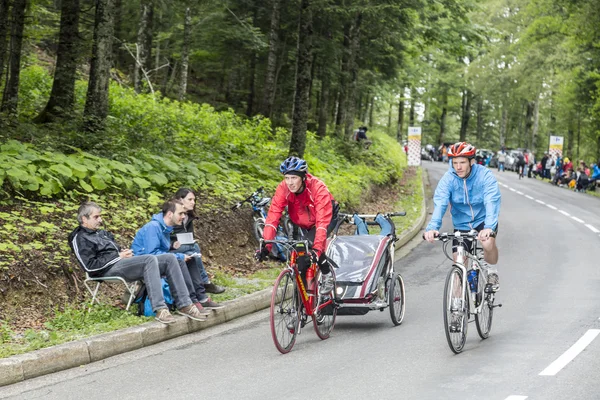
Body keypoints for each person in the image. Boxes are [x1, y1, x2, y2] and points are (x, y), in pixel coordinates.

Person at [68, 202, 207, 324]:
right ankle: (160, 309)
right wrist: (118, 256)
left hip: (121, 263)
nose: (100, 220)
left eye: (100, 216)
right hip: (106, 270)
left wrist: (125, 253)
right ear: (84, 219)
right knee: (149, 258)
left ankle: (185, 304)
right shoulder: (79, 237)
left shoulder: (101, 233)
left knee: (170, 258)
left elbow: (114, 251)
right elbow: (89, 266)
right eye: (96, 217)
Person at [423, 142, 501, 294]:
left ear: (472, 161)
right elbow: (440, 203)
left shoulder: (485, 176)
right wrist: (432, 228)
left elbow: (492, 201)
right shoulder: (448, 179)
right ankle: (457, 308)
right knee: (458, 262)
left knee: (487, 243)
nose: (458, 167)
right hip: (462, 223)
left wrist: (489, 227)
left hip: (483, 221)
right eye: (455, 163)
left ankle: (492, 272)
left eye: (462, 162)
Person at [256, 156, 339, 293]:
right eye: (287, 178)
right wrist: (267, 246)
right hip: (301, 222)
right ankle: (304, 302)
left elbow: (321, 224)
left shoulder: (318, 188)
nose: (290, 182)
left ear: (303, 177)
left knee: (310, 248)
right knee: (300, 259)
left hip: (325, 218)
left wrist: (317, 251)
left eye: (294, 178)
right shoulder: (284, 188)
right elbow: (272, 217)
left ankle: (326, 274)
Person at [132, 199, 224, 310]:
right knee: (180, 260)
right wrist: (179, 256)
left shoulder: (165, 228)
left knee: (190, 257)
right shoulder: (153, 227)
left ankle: (201, 297)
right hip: (144, 264)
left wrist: (171, 246)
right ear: (170, 214)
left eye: (184, 213)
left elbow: (158, 247)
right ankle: (191, 301)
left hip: (157, 260)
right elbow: (151, 254)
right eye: (181, 213)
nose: (184, 216)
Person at [170, 188, 226, 295]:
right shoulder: (171, 215)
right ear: (180, 200)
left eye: (194, 200)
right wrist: (175, 243)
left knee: (193, 252)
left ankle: (200, 288)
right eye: (190, 199)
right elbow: (165, 237)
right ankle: (205, 283)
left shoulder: (189, 216)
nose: (193, 202)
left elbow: (189, 235)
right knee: (194, 248)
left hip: (184, 246)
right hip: (170, 247)